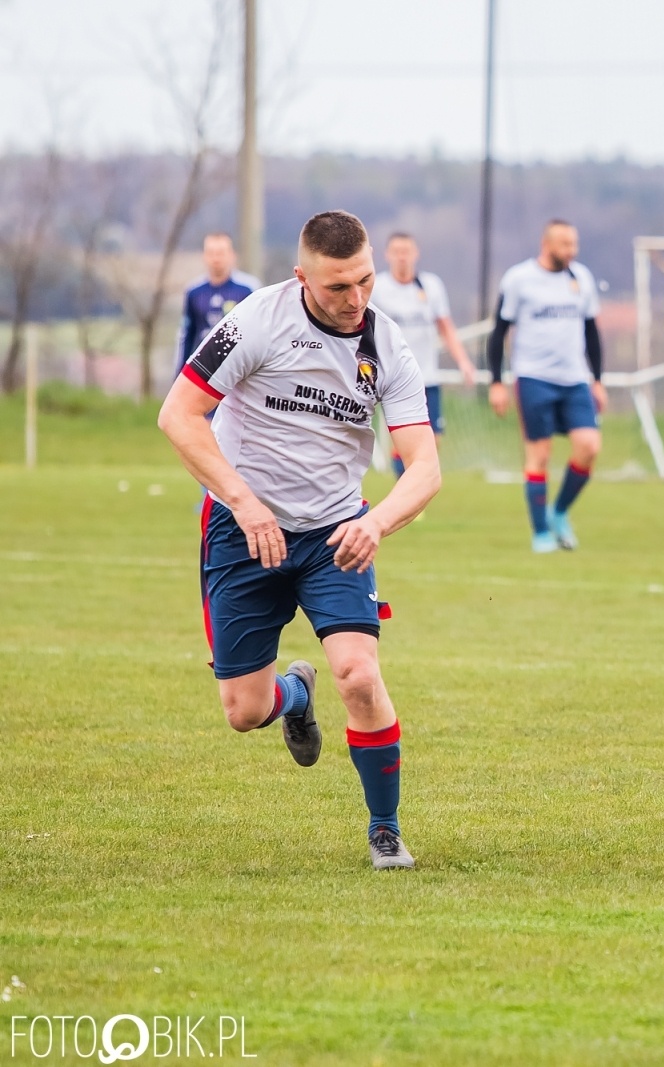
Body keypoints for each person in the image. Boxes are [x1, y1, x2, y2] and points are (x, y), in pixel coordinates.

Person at [157, 210, 440, 871]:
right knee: (244, 709)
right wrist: (244, 500)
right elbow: (180, 414)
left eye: (365, 281)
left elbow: (424, 464)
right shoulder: (258, 320)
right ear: (302, 278)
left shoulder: (387, 345)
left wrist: (375, 522)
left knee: (361, 676)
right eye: (339, 286)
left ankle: (385, 829)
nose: (356, 299)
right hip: (241, 527)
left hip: (336, 532)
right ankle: (294, 694)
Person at [486, 220, 606, 553]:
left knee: (589, 446)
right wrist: (496, 382)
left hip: (574, 379)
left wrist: (598, 380)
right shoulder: (519, 279)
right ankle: (541, 534)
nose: (571, 251)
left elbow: (592, 333)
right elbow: (498, 333)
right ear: (547, 244)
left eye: (574, 244)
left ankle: (559, 512)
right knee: (539, 455)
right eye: (565, 244)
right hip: (533, 377)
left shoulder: (581, 279)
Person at [370, 232, 479, 475]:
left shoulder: (431, 286)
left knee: (433, 438)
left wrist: (464, 362)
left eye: (406, 251)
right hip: (395, 377)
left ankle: (410, 486)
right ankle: (405, 491)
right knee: (404, 436)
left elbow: (446, 327)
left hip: (427, 376)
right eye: (397, 252)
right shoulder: (378, 287)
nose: (402, 257)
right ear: (388, 255)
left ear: (415, 254)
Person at [172, 233, 259, 377]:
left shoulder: (247, 290)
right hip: (202, 368)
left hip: (236, 369)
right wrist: (180, 373)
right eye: (211, 253)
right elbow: (186, 334)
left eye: (220, 253)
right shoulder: (194, 292)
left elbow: (256, 333)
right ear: (204, 256)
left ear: (232, 255)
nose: (216, 258)